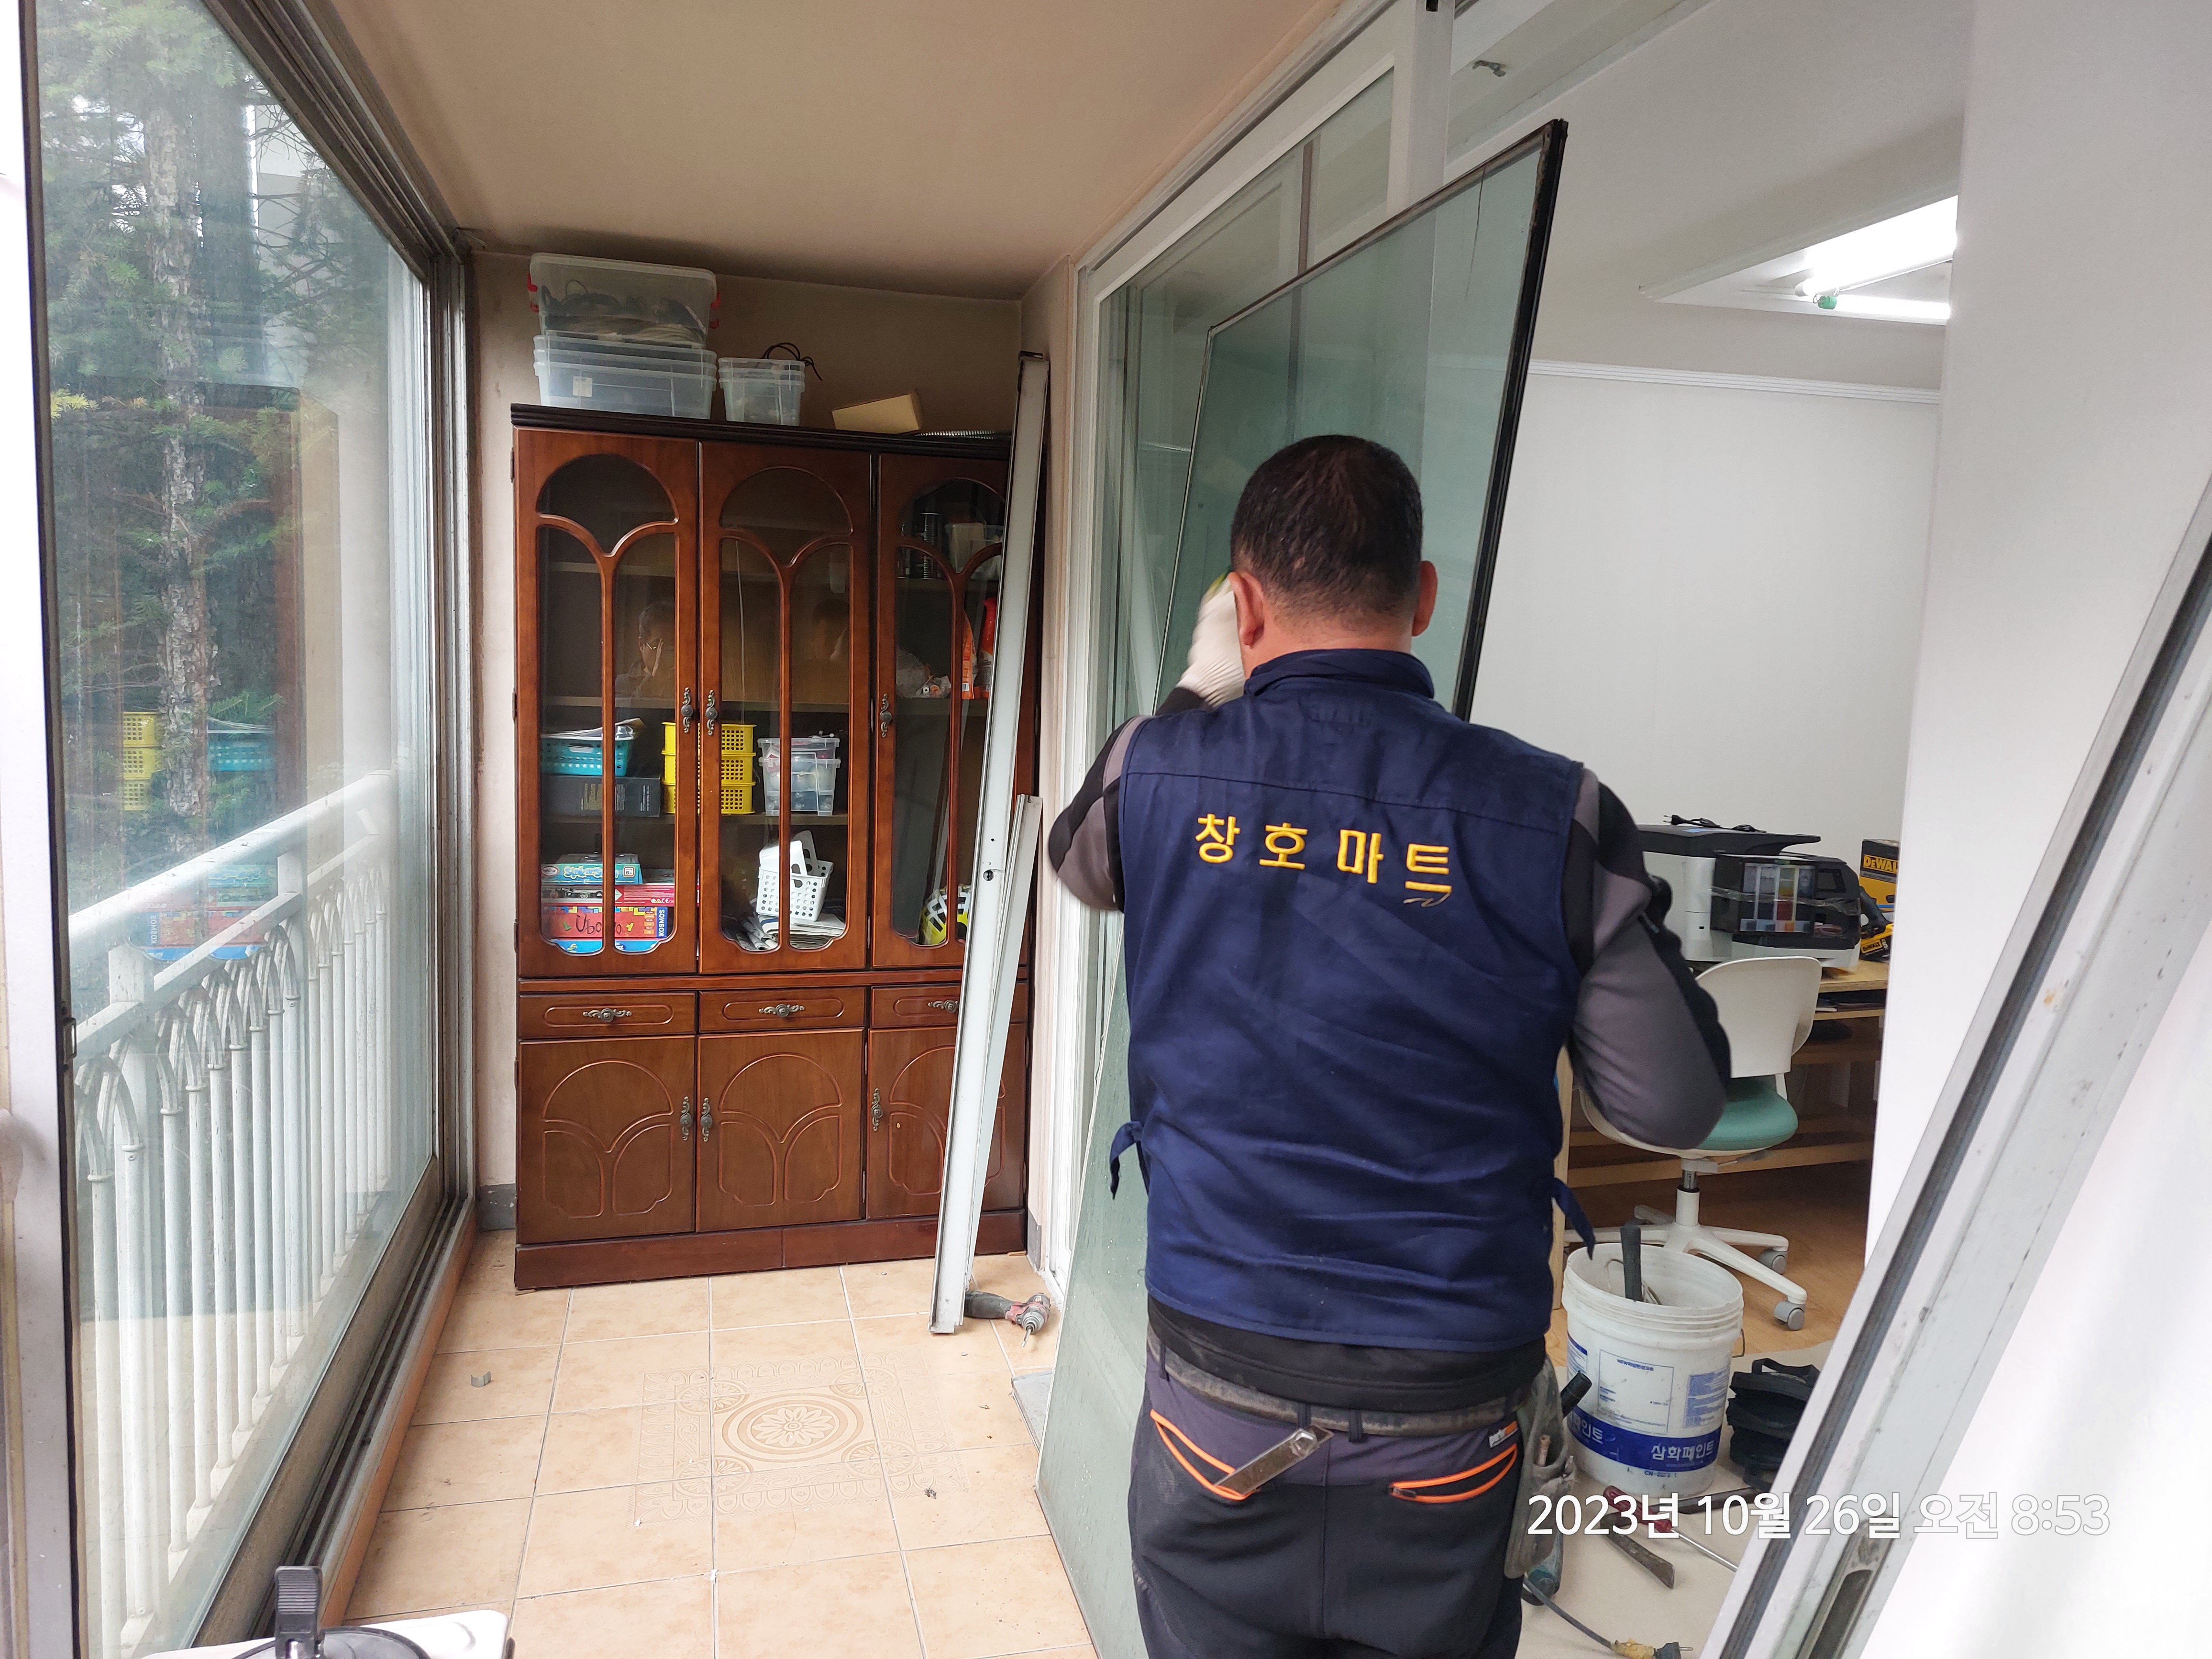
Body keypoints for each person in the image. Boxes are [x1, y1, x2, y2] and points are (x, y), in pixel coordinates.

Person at [1046, 435, 1730, 1659]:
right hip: (1445, 1412)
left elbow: (1077, 863)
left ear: (1243, 607)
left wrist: (1203, 695)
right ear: (1421, 596)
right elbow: (1669, 1105)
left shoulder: (1154, 768)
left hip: (1218, 1392)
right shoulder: (1555, 811)